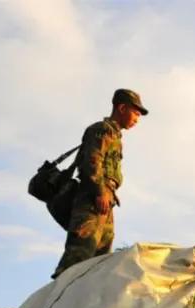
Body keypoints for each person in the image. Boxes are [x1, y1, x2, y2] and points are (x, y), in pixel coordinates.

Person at [51, 89, 147, 278]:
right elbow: (92, 162)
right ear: (121, 108)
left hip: (106, 200)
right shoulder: (102, 129)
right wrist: (99, 191)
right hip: (92, 199)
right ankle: (60, 297)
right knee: (79, 255)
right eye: (135, 112)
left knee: (100, 260)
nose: (137, 118)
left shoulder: (116, 135)